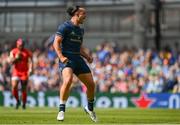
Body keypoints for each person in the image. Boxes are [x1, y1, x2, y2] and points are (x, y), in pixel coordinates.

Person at [53, 5, 97, 122]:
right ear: (77, 14)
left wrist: (87, 56)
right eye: (84, 14)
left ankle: (89, 108)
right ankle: (61, 110)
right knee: (68, 81)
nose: (85, 17)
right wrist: (61, 56)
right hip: (67, 58)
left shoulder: (81, 30)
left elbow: (79, 47)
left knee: (91, 85)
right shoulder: (65, 27)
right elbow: (56, 43)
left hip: (77, 58)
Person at [9, 38, 33, 109]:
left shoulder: (27, 52)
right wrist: (16, 58)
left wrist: (30, 69)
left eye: (22, 45)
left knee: (24, 88)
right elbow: (11, 62)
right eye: (19, 45)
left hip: (24, 72)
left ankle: (24, 103)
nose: (21, 46)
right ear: (17, 45)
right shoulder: (13, 51)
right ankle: (17, 100)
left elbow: (30, 61)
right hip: (16, 72)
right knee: (14, 86)